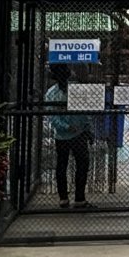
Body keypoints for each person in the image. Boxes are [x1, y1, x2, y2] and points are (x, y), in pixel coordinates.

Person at [44, 78, 94, 208]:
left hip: (73, 133)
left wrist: (86, 129)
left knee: (76, 164)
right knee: (67, 165)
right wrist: (68, 127)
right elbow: (52, 116)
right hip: (69, 133)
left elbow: (83, 111)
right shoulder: (53, 93)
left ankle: (71, 198)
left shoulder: (54, 92)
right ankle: (71, 198)